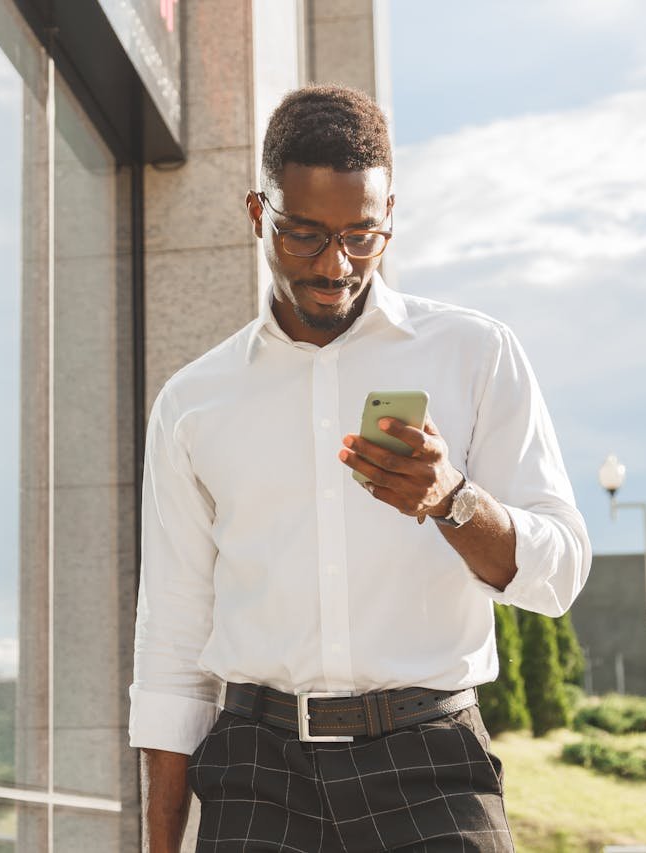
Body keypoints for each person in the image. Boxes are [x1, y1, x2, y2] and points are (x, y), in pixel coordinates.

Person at [129, 84, 590, 852]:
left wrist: (452, 500)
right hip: (257, 769)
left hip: (431, 761)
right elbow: (174, 639)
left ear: (389, 219)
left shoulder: (475, 355)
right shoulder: (193, 402)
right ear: (258, 214)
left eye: (362, 236)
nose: (335, 264)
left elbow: (562, 572)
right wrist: (161, 838)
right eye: (303, 234)